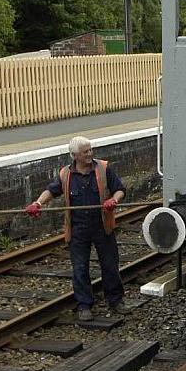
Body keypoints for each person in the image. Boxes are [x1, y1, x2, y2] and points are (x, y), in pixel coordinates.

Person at [25, 136, 132, 320]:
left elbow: (120, 189)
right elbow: (51, 191)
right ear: (75, 155)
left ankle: (116, 300)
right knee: (80, 268)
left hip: (102, 225)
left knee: (110, 265)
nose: (90, 154)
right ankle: (84, 305)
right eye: (85, 152)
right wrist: (38, 203)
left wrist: (113, 200)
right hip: (77, 228)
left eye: (90, 150)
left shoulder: (104, 169)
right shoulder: (65, 175)